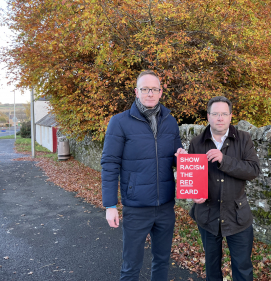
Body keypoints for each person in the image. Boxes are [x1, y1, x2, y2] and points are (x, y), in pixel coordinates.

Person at [101, 70, 186, 281]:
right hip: (137, 207)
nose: (150, 93)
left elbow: (175, 157)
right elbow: (110, 164)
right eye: (145, 89)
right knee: (131, 265)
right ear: (136, 92)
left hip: (165, 206)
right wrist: (110, 205)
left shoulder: (170, 121)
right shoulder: (119, 122)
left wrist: (181, 156)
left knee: (162, 261)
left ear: (161, 92)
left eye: (154, 89)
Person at [188, 96, 260, 281]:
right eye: (215, 114)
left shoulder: (244, 139)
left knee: (242, 267)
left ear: (230, 116)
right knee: (212, 267)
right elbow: (192, 174)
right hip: (207, 215)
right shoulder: (197, 143)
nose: (220, 118)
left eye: (224, 114)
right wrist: (194, 195)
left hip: (237, 216)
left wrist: (223, 159)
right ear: (208, 116)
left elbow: (253, 170)